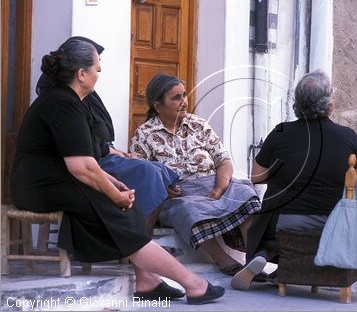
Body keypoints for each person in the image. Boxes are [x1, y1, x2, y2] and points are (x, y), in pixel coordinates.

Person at [11, 39, 224, 305]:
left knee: (125, 209)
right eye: (97, 69)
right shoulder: (62, 104)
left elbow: (90, 158)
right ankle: (193, 283)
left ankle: (148, 281)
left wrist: (115, 184)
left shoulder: (70, 102)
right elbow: (82, 167)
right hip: (38, 187)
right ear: (81, 74)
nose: (99, 75)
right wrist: (115, 194)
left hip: (58, 182)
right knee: (119, 210)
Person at [230, 70, 357, 290]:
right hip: (333, 223)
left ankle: (264, 254)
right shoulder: (348, 136)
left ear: (297, 103)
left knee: (266, 211)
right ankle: (286, 267)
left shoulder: (281, 132)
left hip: (285, 221)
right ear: (329, 105)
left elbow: (256, 177)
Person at [36, 36, 179, 234]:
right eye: (96, 65)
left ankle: (139, 238)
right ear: (80, 71)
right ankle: (135, 239)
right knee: (151, 173)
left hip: (97, 154)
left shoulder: (81, 96)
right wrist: (112, 160)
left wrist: (115, 151)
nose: (100, 70)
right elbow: (81, 151)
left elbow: (92, 138)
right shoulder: (63, 101)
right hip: (86, 163)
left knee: (161, 171)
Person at [130, 74, 262, 276]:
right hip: (178, 194)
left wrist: (219, 188)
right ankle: (224, 261)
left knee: (244, 192)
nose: (184, 102)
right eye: (176, 98)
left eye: (184, 95)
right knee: (188, 209)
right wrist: (164, 188)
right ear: (158, 105)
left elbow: (223, 160)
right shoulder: (144, 134)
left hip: (214, 185)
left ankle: (252, 260)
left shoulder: (198, 125)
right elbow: (142, 175)